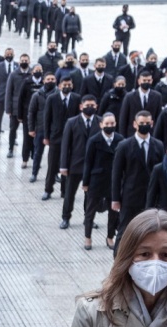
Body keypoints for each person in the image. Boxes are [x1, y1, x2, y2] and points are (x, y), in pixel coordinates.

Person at [112, 111, 165, 253]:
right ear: (135, 124)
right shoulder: (124, 146)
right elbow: (117, 174)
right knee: (125, 229)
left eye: (147, 123)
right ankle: (118, 259)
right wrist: (115, 198)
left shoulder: (158, 145)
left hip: (151, 196)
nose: (145, 126)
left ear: (152, 124)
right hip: (130, 195)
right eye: (141, 123)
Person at [82, 112, 123, 250]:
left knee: (113, 212)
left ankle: (110, 236)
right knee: (90, 210)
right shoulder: (94, 140)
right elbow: (88, 162)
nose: (110, 126)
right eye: (107, 124)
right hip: (97, 180)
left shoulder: (120, 139)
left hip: (113, 181)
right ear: (101, 125)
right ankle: (88, 237)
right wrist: (85, 182)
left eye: (112, 124)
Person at [59, 94, 100, 229]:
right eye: (87, 105)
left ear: (96, 106)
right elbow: (65, 145)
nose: (89, 108)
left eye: (92, 105)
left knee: (91, 195)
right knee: (70, 193)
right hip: (75, 164)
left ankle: (88, 218)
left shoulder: (100, 122)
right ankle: (66, 217)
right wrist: (63, 166)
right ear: (81, 106)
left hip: (93, 166)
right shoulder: (72, 122)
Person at [41, 77, 80, 201]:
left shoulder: (76, 98)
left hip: (71, 138)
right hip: (55, 137)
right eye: (64, 84)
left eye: (69, 84)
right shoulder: (52, 98)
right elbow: (47, 118)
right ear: (59, 86)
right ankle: (48, 190)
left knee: (67, 165)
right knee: (52, 165)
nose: (67, 86)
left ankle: (64, 191)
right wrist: (46, 136)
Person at [28, 71, 57, 182]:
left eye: (52, 79)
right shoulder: (37, 95)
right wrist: (31, 128)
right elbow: (31, 112)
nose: (50, 81)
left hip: (54, 129)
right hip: (40, 128)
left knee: (54, 155)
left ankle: (54, 174)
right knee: (37, 152)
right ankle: (34, 173)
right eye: (48, 79)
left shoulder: (58, 95)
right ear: (43, 81)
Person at [4, 53, 33, 158]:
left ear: (29, 62)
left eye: (26, 60)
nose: (24, 62)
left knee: (28, 132)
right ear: (19, 62)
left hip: (28, 109)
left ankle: (29, 151)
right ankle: (10, 149)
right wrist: (8, 109)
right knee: (12, 129)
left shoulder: (32, 74)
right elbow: (8, 92)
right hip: (15, 108)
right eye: (22, 60)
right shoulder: (13, 74)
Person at [119, 71, 162, 137]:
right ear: (139, 81)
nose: (146, 82)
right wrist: (122, 136)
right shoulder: (129, 96)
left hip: (151, 134)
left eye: (148, 80)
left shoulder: (157, 96)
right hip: (132, 134)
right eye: (144, 80)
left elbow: (158, 117)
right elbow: (123, 117)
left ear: (152, 81)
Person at [0, 47, 15, 146]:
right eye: (7, 54)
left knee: (13, 120)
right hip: (1, 96)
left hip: (13, 97)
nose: (9, 56)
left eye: (11, 54)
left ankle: (13, 138)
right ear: (4, 55)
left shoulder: (17, 66)